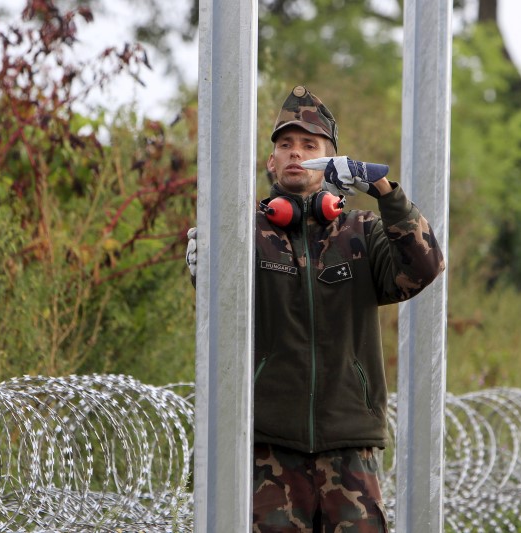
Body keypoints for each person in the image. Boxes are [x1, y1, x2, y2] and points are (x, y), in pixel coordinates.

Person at [187, 85, 445, 532]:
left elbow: (424, 266)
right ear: (271, 162)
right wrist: (204, 270)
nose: (294, 153)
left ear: (330, 164)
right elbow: (220, 307)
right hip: (267, 446)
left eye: (309, 145)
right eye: (285, 145)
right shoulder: (244, 231)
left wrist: (385, 192)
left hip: (350, 447)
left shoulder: (361, 232)